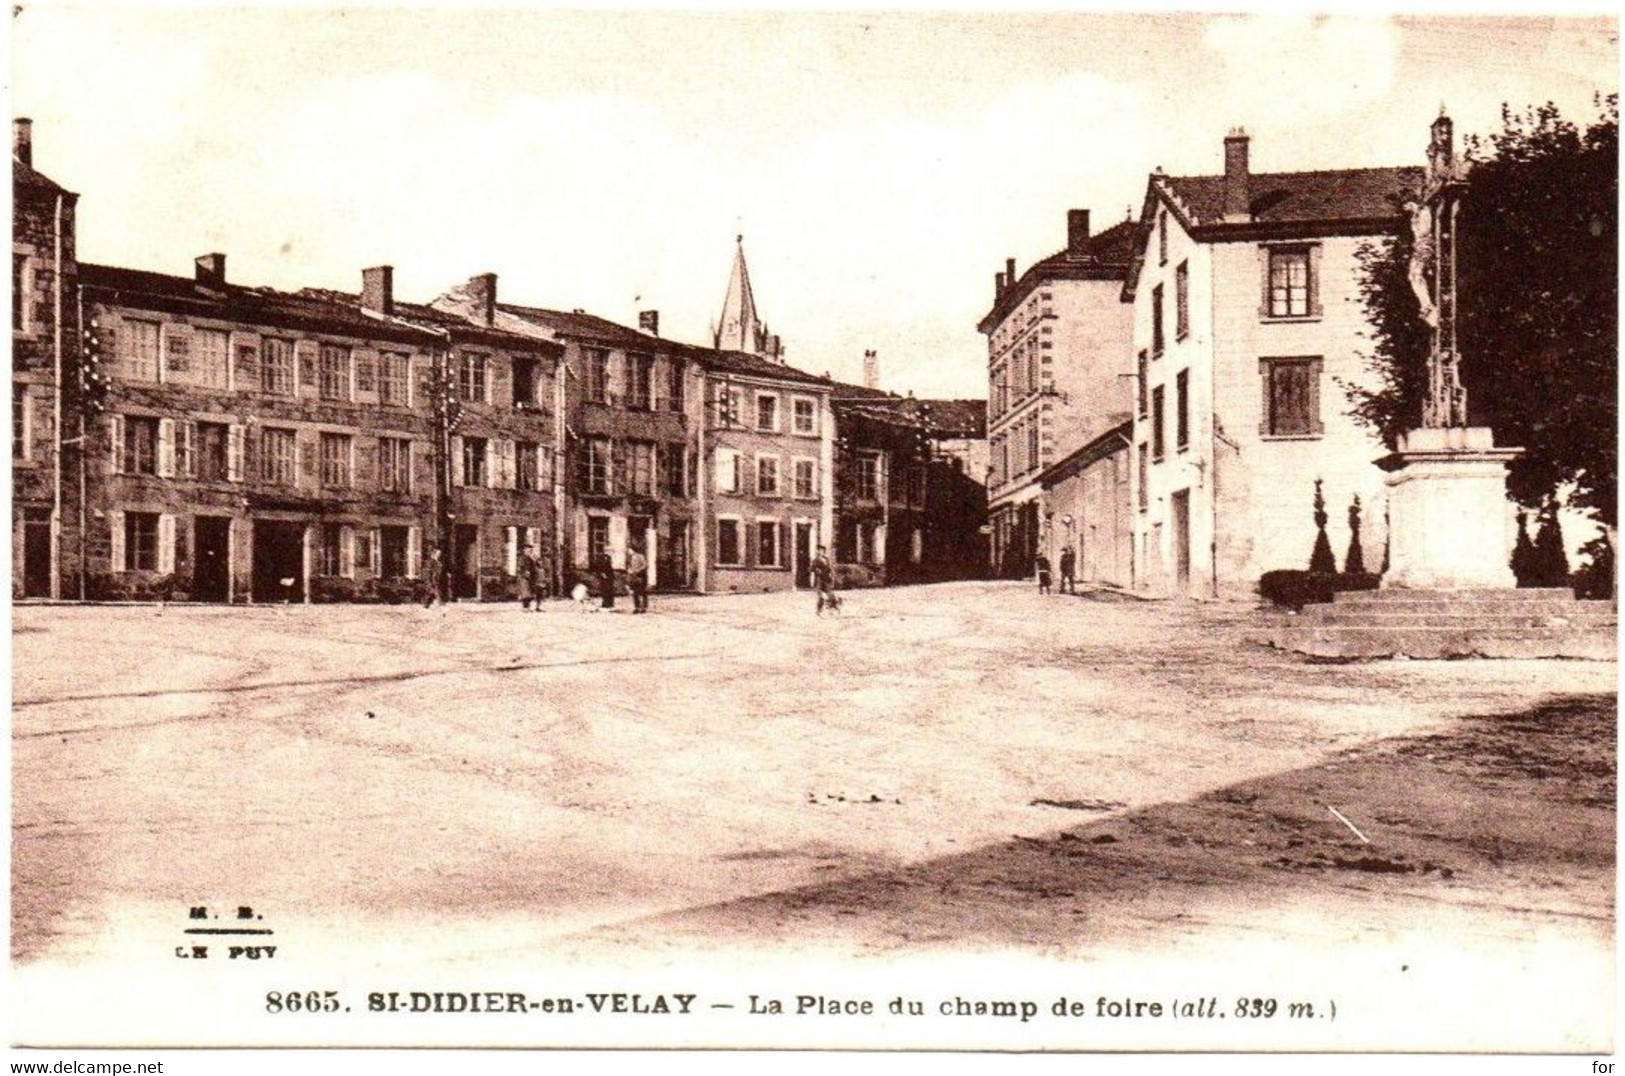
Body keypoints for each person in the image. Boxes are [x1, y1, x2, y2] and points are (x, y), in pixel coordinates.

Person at [811, 546, 838, 615]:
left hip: (826, 579)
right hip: (819, 579)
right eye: (818, 550)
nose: (820, 552)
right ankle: (819, 610)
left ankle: (833, 608)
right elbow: (812, 569)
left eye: (821, 550)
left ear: (823, 551)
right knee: (821, 597)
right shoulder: (815, 560)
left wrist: (831, 576)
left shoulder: (826, 559)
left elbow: (830, 569)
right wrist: (817, 570)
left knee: (830, 595)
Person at [626, 546, 649, 614]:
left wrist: (637, 571)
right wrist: (629, 570)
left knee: (642, 592)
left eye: (629, 550)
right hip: (633, 577)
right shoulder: (630, 558)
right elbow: (629, 566)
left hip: (640, 576)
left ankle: (643, 607)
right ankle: (637, 607)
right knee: (635, 593)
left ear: (632, 549)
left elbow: (645, 565)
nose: (628, 552)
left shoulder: (640, 556)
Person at [518, 546, 541, 611]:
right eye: (528, 550)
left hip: (530, 578)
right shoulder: (522, 558)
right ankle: (525, 607)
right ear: (524, 550)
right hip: (524, 577)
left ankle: (527, 607)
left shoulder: (530, 558)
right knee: (525, 593)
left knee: (529, 593)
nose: (529, 551)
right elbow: (521, 567)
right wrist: (525, 572)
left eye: (530, 550)